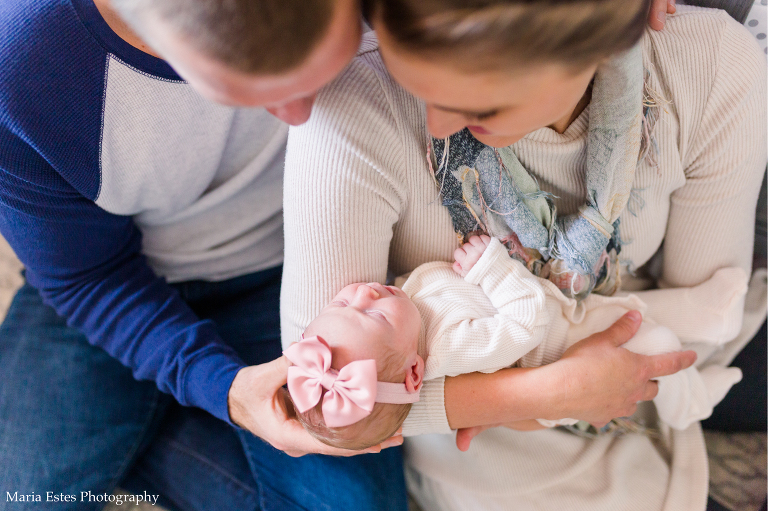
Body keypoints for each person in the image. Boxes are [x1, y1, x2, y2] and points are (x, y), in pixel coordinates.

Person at [280, 0, 766, 509]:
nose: (439, 128)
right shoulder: (354, 100)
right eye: (418, 85)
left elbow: (703, 324)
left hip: (646, 359)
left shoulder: (708, 65)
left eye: (482, 104)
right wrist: (535, 398)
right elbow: (315, 395)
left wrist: (593, 383)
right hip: (479, 448)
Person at [0, 0, 402, 510]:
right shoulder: (20, 70)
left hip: (288, 268)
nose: (303, 117)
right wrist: (226, 391)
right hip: (108, 277)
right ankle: (152, 408)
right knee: (23, 498)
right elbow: (86, 278)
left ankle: (142, 423)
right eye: (261, 92)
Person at [282, 235, 746, 451]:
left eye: (343, 303)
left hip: (571, 320)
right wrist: (490, 267)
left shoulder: (407, 319)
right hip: (564, 348)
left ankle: (713, 316)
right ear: (415, 372)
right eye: (373, 314)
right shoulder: (451, 344)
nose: (364, 292)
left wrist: (379, 315)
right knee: (654, 336)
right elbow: (527, 322)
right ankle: (690, 403)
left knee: (639, 314)